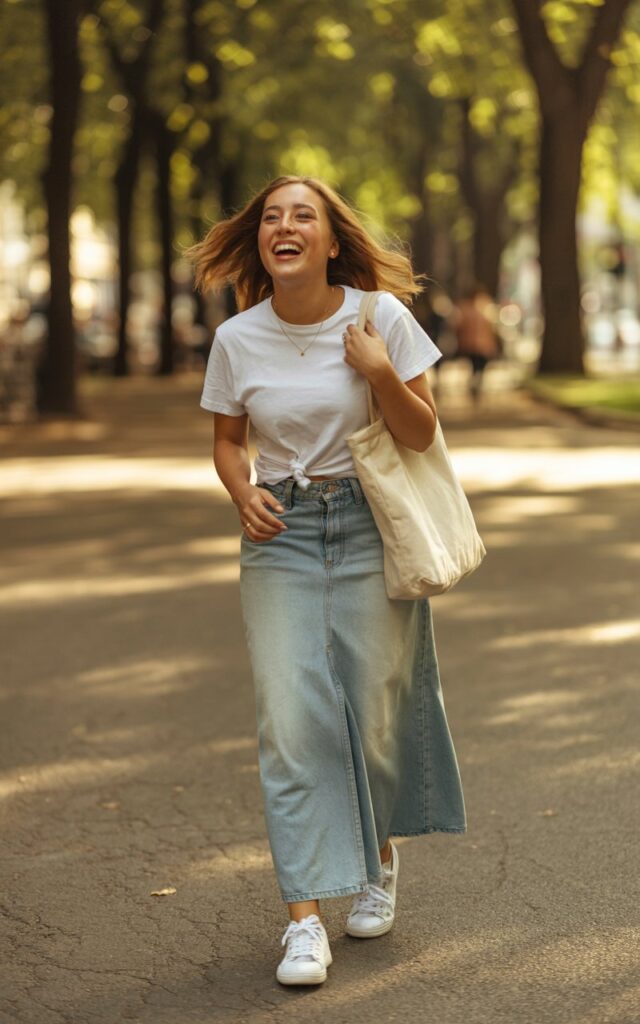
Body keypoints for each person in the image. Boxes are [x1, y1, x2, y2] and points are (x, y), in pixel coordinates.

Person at [185, 175, 466, 987]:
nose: (285, 226)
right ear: (261, 242)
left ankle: (377, 855)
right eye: (272, 217)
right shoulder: (238, 337)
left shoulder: (381, 320)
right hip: (284, 532)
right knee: (289, 711)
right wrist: (243, 493)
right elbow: (229, 441)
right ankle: (304, 916)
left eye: (302, 215)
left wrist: (379, 372)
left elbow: (420, 434)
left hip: (373, 525)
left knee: (376, 705)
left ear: (331, 240)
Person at [453, 284, 500, 403]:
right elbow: (493, 327)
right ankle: (477, 381)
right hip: (482, 345)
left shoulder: (465, 308)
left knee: (475, 365)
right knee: (479, 365)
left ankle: (475, 381)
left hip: (471, 344)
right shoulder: (487, 307)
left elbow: (458, 326)